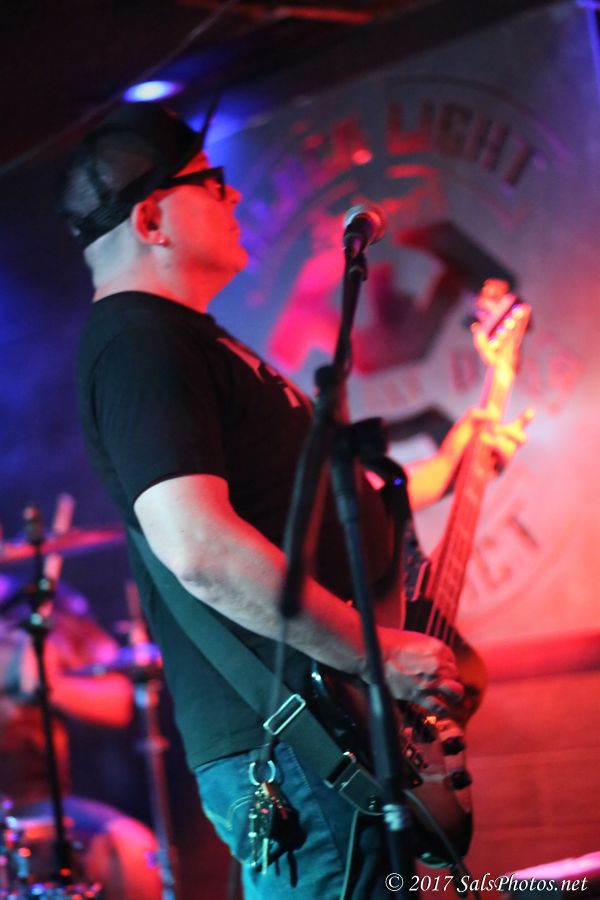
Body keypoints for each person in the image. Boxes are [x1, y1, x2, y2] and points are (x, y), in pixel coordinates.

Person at [58, 102, 530, 899]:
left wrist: (466, 441)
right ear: (151, 220)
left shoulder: (191, 340)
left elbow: (329, 510)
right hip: (299, 746)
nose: (235, 196)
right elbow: (198, 546)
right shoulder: (139, 343)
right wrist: (372, 655)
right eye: (212, 182)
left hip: (332, 732)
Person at [0, 574, 162, 899]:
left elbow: (116, 701)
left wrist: (49, 686)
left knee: (131, 852)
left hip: (34, 805)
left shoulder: (37, 603)